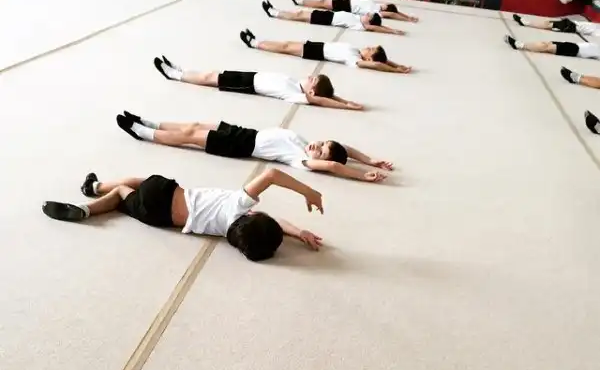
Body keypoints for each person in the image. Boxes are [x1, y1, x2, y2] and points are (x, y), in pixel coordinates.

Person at [41, 168, 324, 261]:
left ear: (252, 215)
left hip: (164, 191)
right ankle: (91, 194)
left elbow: (271, 174)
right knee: (125, 197)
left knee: (125, 188)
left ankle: (91, 198)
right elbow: (270, 227)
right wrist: (298, 232)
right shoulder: (228, 232)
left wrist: (308, 191)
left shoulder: (238, 203)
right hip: (160, 218)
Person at [116, 112, 392, 183]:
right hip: (246, 132)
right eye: (322, 142)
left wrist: (361, 174)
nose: (316, 146)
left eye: (319, 150)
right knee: (194, 124)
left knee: (190, 136)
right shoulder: (305, 144)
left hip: (240, 145)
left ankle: (144, 133)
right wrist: (370, 160)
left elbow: (333, 163)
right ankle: (150, 122)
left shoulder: (299, 159)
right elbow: (344, 149)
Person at [153, 55, 363, 111]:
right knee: (212, 74)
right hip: (251, 76)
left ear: (312, 92)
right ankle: (182, 71)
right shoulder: (297, 84)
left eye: (313, 80)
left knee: (210, 79)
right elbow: (325, 96)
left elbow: (322, 101)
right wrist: (344, 100)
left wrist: (345, 106)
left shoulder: (297, 95)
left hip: (248, 85)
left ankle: (175, 75)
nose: (310, 76)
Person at [239, 29, 412, 74]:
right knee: (286, 44)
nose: (369, 46)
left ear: (369, 58)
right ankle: (258, 41)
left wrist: (395, 70)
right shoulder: (357, 52)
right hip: (319, 45)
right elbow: (381, 61)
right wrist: (397, 65)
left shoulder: (355, 59)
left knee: (285, 48)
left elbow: (377, 65)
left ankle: (254, 43)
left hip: (317, 52)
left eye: (372, 49)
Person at [261, 0, 406, 36]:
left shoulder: (361, 25)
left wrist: (393, 31)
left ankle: (274, 12)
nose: (367, 14)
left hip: (327, 19)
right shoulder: (359, 18)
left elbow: (377, 28)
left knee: (299, 16)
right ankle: (276, 11)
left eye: (370, 16)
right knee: (300, 13)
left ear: (370, 22)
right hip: (329, 15)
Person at [287, 0, 419, 23]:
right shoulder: (378, 5)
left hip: (347, 7)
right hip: (347, 2)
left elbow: (393, 14)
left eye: (387, 5)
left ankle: (300, 1)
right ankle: (301, 1)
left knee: (323, 2)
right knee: (323, 3)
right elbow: (395, 11)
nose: (385, 3)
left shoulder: (378, 12)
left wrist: (407, 19)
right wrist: (407, 15)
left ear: (386, 9)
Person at [504, 35, 600, 59]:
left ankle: (520, 45)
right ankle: (521, 44)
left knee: (547, 47)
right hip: (575, 45)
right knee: (546, 44)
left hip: (576, 50)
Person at [512, 14, 600, 37]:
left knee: (553, 25)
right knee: (551, 23)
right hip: (580, 25)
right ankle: (528, 23)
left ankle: (527, 23)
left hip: (574, 27)